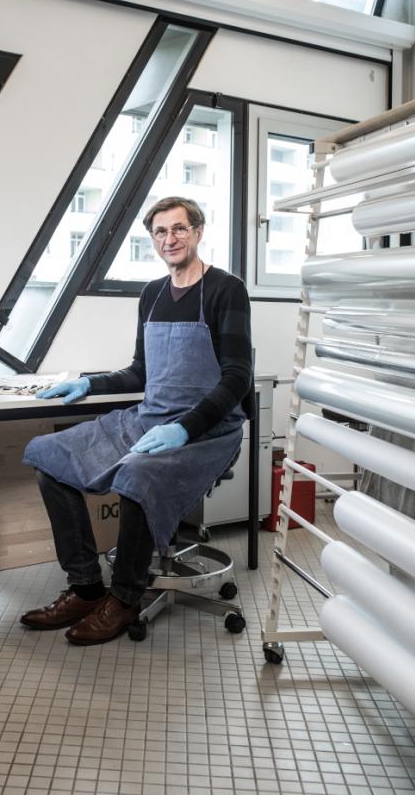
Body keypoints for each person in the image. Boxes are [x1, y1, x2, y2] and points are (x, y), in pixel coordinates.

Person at [20, 195, 253, 646]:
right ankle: (87, 587)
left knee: (138, 476)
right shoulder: (151, 295)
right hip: (150, 418)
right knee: (50, 457)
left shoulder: (227, 290)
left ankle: (125, 599)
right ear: (153, 240)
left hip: (208, 431)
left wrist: (186, 427)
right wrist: (89, 384)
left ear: (199, 232)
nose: (170, 239)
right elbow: (141, 372)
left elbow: (238, 376)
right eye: (161, 232)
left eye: (179, 229)